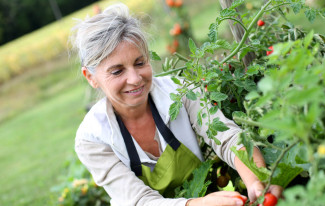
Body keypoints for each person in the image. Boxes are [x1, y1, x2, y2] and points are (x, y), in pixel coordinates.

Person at [71, 3, 282, 206]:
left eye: (140, 63)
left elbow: (227, 139)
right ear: (90, 77)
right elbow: (138, 201)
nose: (135, 79)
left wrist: (256, 181)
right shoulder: (92, 139)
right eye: (117, 71)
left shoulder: (179, 91)